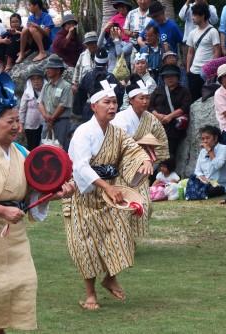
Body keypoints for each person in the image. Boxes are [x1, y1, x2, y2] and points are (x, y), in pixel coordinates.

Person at [0, 72, 74, 333]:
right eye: (11, 121)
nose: (17, 126)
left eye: (19, 120)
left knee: (19, 287)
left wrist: (58, 191)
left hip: (12, 238)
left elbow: (34, 191)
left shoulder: (23, 154)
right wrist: (2, 210)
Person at [66, 75, 153, 310]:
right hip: (86, 197)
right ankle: (90, 294)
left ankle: (110, 276)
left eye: (114, 102)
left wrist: (144, 160)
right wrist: (106, 186)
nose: (112, 106)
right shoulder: (84, 132)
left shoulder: (116, 132)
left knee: (120, 237)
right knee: (87, 247)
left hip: (110, 197)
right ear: (94, 106)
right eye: (107, 102)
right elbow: (80, 167)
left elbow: (132, 149)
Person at [112, 75, 169, 236]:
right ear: (131, 100)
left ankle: (131, 237)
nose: (145, 101)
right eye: (141, 98)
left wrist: (153, 155)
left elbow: (161, 137)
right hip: (122, 168)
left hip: (141, 169)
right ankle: (123, 237)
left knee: (145, 205)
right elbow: (117, 143)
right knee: (124, 204)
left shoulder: (150, 118)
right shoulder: (121, 119)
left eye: (147, 98)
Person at [149, 64, 192, 160]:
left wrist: (170, 116)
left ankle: (167, 172)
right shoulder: (158, 90)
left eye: (172, 76)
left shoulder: (184, 91)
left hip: (173, 129)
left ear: (177, 77)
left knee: (169, 154)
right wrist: (157, 115)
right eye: (166, 76)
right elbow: (150, 106)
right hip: (157, 126)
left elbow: (185, 107)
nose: (169, 79)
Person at [74, 47, 124, 122]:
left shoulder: (88, 76)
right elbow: (118, 96)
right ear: (107, 62)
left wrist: (79, 112)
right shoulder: (111, 77)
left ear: (95, 61)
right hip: (107, 113)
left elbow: (80, 96)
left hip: (90, 111)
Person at [186, 3, 221, 101]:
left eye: (195, 15)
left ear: (203, 15)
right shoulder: (192, 33)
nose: (192, 17)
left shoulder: (212, 31)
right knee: (193, 99)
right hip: (194, 72)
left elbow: (217, 51)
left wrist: (212, 69)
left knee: (207, 99)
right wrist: (188, 69)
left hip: (206, 72)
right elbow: (190, 52)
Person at [38, 54, 73, 151]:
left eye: (50, 68)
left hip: (61, 122)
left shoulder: (66, 86)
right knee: (44, 147)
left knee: (60, 148)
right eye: (47, 68)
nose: (47, 70)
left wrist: (52, 118)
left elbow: (63, 105)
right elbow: (40, 103)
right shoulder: (46, 86)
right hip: (47, 121)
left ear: (58, 70)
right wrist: (46, 116)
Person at [193, 125, 226, 198]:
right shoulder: (202, 152)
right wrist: (203, 178)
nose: (205, 141)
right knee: (191, 180)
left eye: (207, 138)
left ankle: (198, 191)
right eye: (203, 139)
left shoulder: (224, 149)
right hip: (205, 182)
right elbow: (197, 171)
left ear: (215, 138)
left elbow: (218, 165)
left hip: (220, 185)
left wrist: (210, 151)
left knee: (210, 190)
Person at [19, 67, 45, 150]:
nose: (36, 81)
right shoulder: (27, 93)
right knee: (32, 147)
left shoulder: (48, 91)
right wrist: (21, 124)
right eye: (33, 79)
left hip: (44, 124)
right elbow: (22, 110)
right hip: (30, 125)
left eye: (38, 79)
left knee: (43, 146)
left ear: (42, 80)